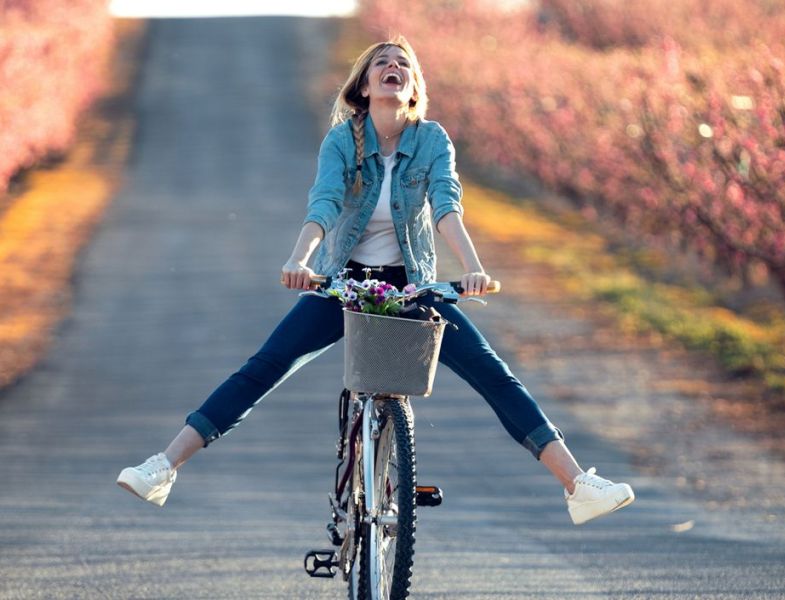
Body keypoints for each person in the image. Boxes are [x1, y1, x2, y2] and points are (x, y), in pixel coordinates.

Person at [117, 36, 634, 525]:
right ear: (364, 85)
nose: (394, 67)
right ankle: (164, 467)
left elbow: (446, 205)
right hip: (345, 284)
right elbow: (323, 203)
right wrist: (301, 260)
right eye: (382, 62)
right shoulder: (343, 141)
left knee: (494, 374)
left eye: (403, 64)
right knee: (265, 367)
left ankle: (577, 486)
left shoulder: (431, 139)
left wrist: (472, 268)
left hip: (412, 287)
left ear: (413, 87)